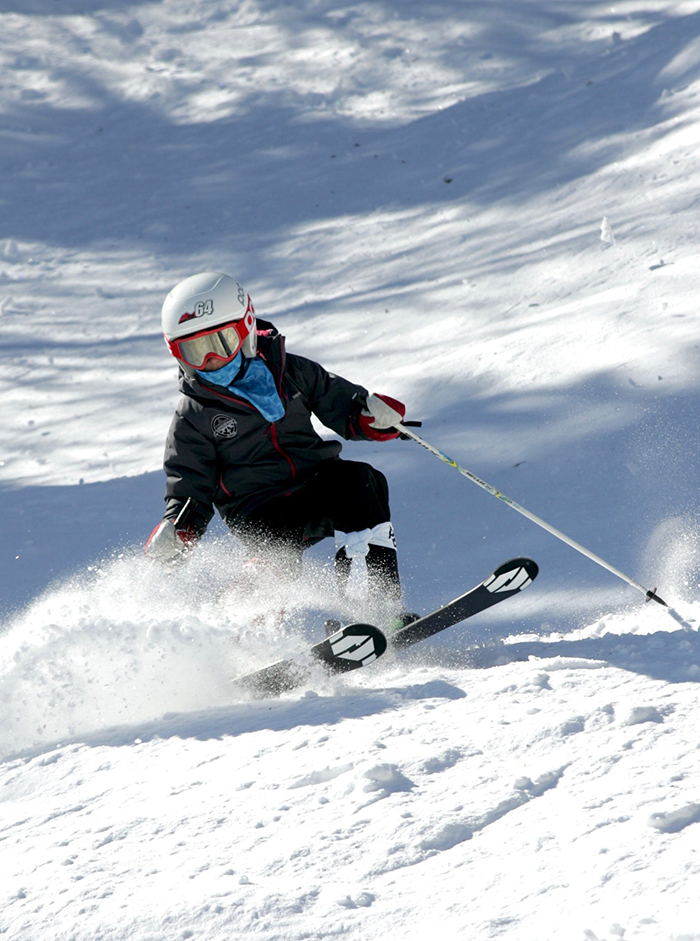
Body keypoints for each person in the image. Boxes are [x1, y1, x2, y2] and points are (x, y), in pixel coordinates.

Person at [145, 271, 409, 623]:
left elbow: (338, 402)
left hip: (315, 481)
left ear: (247, 327)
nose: (211, 361)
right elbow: (190, 483)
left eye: (220, 343)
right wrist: (180, 528)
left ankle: (373, 608)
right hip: (257, 506)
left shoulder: (289, 371)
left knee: (362, 481)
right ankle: (252, 634)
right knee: (276, 551)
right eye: (194, 352)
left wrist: (367, 416)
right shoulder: (194, 416)